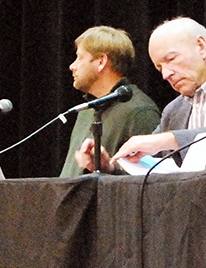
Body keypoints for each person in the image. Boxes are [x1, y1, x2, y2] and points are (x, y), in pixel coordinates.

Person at [77, 17, 206, 172]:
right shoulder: (175, 110)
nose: (165, 74)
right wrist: (110, 166)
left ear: (200, 46)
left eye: (171, 59)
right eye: (159, 67)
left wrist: (167, 139)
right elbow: (148, 162)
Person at [60, 26, 161, 177]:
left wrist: (110, 169)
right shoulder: (88, 110)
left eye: (80, 58)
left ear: (101, 61)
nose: (72, 66)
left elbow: (151, 180)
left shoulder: (140, 111)